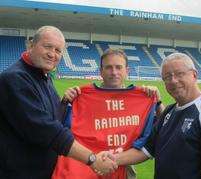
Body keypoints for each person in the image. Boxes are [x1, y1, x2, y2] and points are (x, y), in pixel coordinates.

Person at [0, 26, 117, 179]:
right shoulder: (15, 79)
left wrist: (64, 103)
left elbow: (53, 117)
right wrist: (92, 159)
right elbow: (46, 130)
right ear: (31, 45)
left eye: (57, 50)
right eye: (47, 46)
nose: (52, 54)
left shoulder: (44, 76)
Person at [52, 48, 164, 179]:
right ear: (101, 71)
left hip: (123, 167)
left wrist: (158, 102)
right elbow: (57, 130)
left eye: (118, 67)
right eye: (109, 67)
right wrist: (65, 102)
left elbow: (164, 128)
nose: (114, 72)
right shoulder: (80, 96)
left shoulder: (143, 98)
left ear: (126, 71)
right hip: (86, 166)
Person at [112, 52, 201, 179]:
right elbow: (145, 150)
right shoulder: (168, 111)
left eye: (180, 74)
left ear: (194, 75)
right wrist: (111, 159)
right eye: (167, 77)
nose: (173, 81)